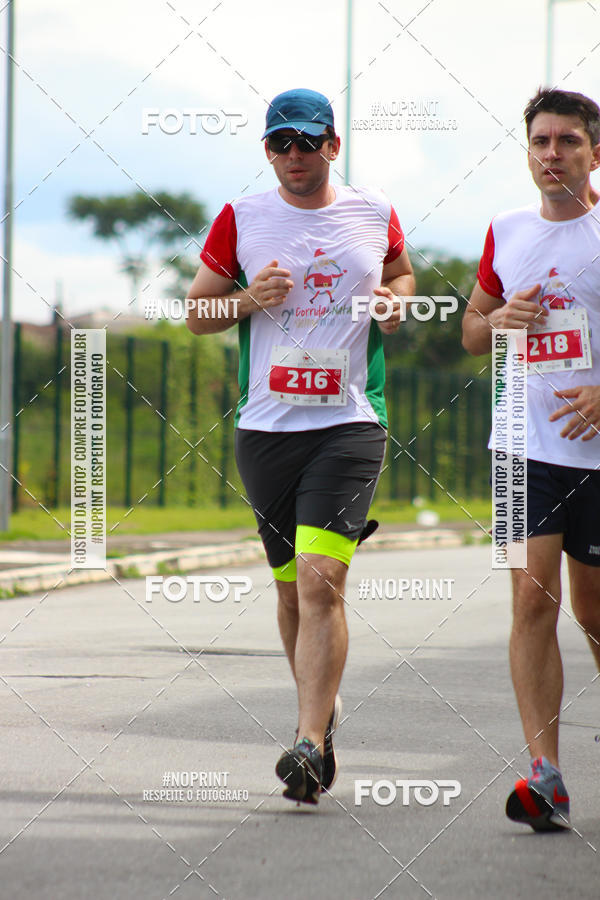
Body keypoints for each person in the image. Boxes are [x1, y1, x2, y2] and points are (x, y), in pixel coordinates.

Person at [186, 88, 415, 804]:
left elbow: (402, 276)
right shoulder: (242, 218)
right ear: (267, 151)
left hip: (349, 423)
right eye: (281, 143)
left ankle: (308, 744)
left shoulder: (373, 212)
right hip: (266, 428)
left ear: (333, 147)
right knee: (290, 590)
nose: (294, 155)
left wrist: (397, 302)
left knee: (320, 580)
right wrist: (250, 300)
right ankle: (320, 712)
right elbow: (197, 313)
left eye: (308, 142)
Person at [462, 87, 600, 831]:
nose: (553, 154)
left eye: (568, 142)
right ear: (528, 153)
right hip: (521, 450)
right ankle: (543, 772)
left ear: (594, 153)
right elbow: (470, 332)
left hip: (598, 456)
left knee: (595, 609)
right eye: (541, 142)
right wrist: (499, 318)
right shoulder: (506, 231)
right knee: (530, 602)